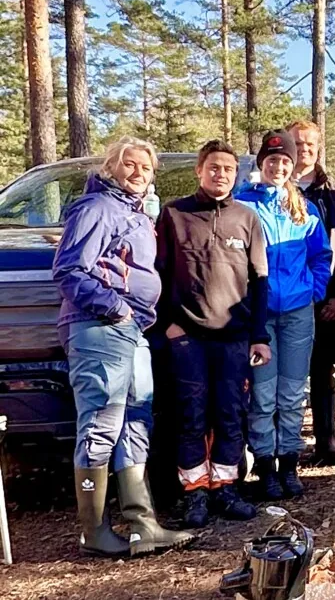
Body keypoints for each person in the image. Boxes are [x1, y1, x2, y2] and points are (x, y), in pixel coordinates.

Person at [53, 137, 193, 557]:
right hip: (99, 327)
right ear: (112, 168)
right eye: (129, 165)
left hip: (131, 332)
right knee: (100, 424)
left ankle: (142, 523)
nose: (138, 173)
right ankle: (94, 531)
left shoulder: (133, 214)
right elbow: (69, 268)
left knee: (135, 419)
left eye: (146, 168)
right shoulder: (96, 208)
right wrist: (115, 307)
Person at [156, 140, 268, 528]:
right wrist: (167, 323)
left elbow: (260, 281)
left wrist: (259, 336)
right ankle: (195, 493)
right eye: (213, 168)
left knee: (230, 413)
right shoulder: (174, 214)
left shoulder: (246, 218)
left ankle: (224, 488)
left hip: (234, 337)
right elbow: (157, 273)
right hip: (187, 334)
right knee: (190, 414)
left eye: (227, 169)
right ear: (199, 171)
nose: (220, 175)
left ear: (236, 174)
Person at [237, 130, 333, 500]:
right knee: (263, 394)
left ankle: (289, 462)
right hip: (258, 314)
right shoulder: (242, 205)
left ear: (293, 168)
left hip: (296, 311)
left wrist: (315, 289)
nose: (278, 167)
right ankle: (265, 466)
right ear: (262, 164)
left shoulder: (303, 208)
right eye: (272, 160)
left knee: (292, 393)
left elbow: (320, 255)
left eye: (285, 162)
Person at [287, 120, 335, 466]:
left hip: (323, 301)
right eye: (297, 144)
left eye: (310, 145)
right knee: (281, 375)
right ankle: (281, 446)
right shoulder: (270, 192)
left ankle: (326, 441)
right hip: (279, 302)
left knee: (323, 368)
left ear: (319, 149)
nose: (304, 150)